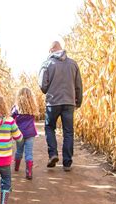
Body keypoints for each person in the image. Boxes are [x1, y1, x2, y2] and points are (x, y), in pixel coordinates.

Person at [38, 41, 83, 172]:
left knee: (49, 127)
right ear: (61, 49)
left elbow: (43, 86)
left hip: (53, 102)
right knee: (68, 132)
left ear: (51, 50)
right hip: (69, 102)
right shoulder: (73, 64)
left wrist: (48, 89)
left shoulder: (47, 64)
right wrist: (78, 101)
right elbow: (78, 85)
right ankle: (67, 163)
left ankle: (53, 154)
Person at [11, 87, 38, 180]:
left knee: (19, 151)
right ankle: (29, 172)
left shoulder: (15, 108)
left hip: (19, 133)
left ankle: (16, 167)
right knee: (29, 153)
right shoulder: (32, 107)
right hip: (30, 133)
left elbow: (11, 118)